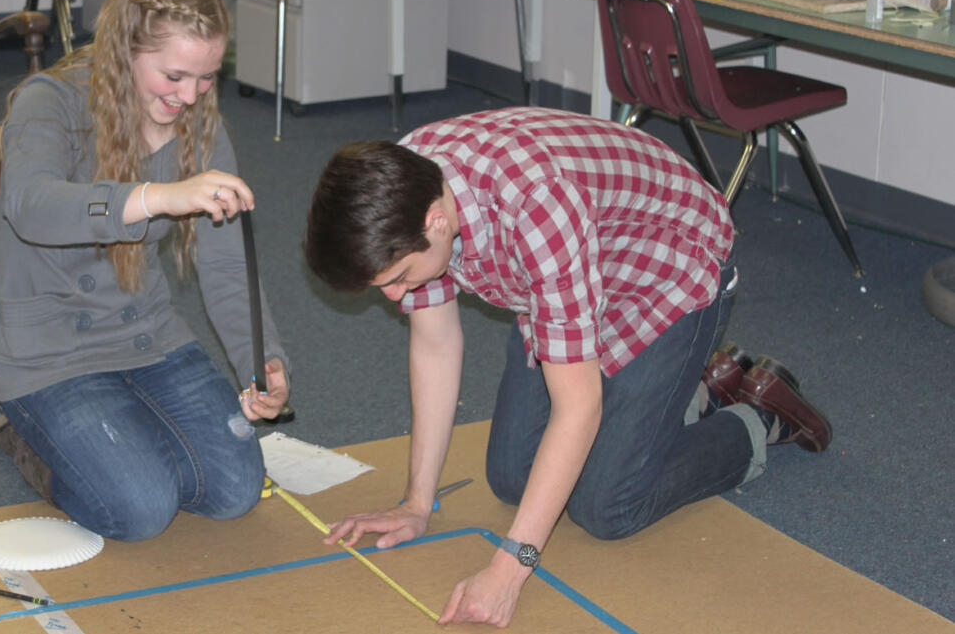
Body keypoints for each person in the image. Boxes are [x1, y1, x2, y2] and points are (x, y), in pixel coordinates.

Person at [302, 107, 831, 628]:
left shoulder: (535, 209)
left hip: (668, 275)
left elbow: (577, 409)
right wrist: (417, 502)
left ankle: (756, 417)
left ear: (436, 221)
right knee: (513, 478)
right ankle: (690, 392)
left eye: (398, 276)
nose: (396, 294)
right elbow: (436, 347)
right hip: (566, 283)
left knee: (607, 506)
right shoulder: (408, 182)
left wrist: (511, 569)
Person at [0, 0, 290, 542]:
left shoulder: (200, 122)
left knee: (235, 491)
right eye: (174, 75)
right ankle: (29, 439)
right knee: (142, 510)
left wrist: (262, 360)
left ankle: (116, 444)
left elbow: (225, 265)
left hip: (147, 336)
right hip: (48, 355)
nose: (190, 96)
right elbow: (31, 206)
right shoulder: (48, 102)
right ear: (126, 48)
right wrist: (157, 197)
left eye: (206, 78)